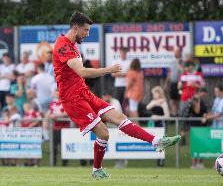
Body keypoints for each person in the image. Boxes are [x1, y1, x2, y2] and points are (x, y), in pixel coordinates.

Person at [52, 11, 180, 179]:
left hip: (84, 93)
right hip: (72, 99)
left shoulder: (74, 45)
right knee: (104, 133)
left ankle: (156, 141)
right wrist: (108, 70)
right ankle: (96, 170)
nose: (88, 34)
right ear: (75, 28)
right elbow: (82, 71)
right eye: (86, 30)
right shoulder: (63, 45)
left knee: (119, 117)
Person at [45, 85, 70, 166]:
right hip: (54, 128)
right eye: (56, 92)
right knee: (53, 146)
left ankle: (64, 163)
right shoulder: (53, 103)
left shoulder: (65, 102)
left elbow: (68, 112)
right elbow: (49, 113)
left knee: (64, 146)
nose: (56, 93)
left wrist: (57, 116)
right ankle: (53, 163)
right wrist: (46, 120)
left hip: (64, 128)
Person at [146, 86, 170, 167]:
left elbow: (167, 116)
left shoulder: (164, 103)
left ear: (159, 93)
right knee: (156, 143)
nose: (153, 95)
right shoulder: (154, 102)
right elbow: (148, 107)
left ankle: (161, 162)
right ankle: (158, 161)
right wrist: (156, 102)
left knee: (161, 143)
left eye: (154, 93)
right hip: (155, 125)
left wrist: (157, 117)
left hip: (161, 124)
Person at [164, 48, 183, 116]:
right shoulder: (172, 62)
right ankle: (175, 115)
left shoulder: (183, 62)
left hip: (180, 84)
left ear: (180, 53)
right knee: (172, 100)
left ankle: (179, 114)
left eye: (177, 52)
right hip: (172, 83)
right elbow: (169, 73)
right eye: (175, 52)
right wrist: (166, 83)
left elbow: (183, 71)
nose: (175, 53)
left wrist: (178, 63)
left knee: (179, 100)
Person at [22, 102, 41, 166]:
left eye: (25, 107)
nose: (24, 108)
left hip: (35, 133)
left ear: (29, 106)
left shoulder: (35, 112)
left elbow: (39, 119)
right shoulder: (25, 114)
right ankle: (30, 162)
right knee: (29, 147)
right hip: (27, 133)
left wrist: (32, 124)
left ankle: (36, 163)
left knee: (36, 147)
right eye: (23, 107)